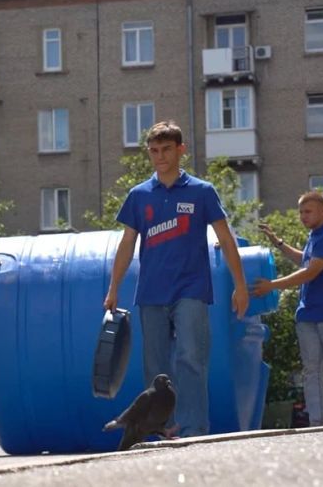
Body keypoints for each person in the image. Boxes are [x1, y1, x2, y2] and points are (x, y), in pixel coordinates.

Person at [103, 120, 249, 438]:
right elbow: (127, 244)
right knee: (155, 367)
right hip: (151, 292)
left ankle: (194, 427)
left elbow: (226, 239)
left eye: (166, 149)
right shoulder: (139, 195)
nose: (160, 156)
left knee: (190, 357)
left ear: (181, 150)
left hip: (191, 289)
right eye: (154, 151)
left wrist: (240, 285)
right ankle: (161, 429)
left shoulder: (202, 191)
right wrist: (113, 288)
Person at [252, 191, 323, 426]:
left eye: (308, 211)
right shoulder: (314, 237)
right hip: (308, 315)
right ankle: (316, 423)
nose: (303, 216)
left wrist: (272, 285)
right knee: (310, 371)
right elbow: (305, 260)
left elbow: (310, 272)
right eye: (301, 212)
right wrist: (278, 243)